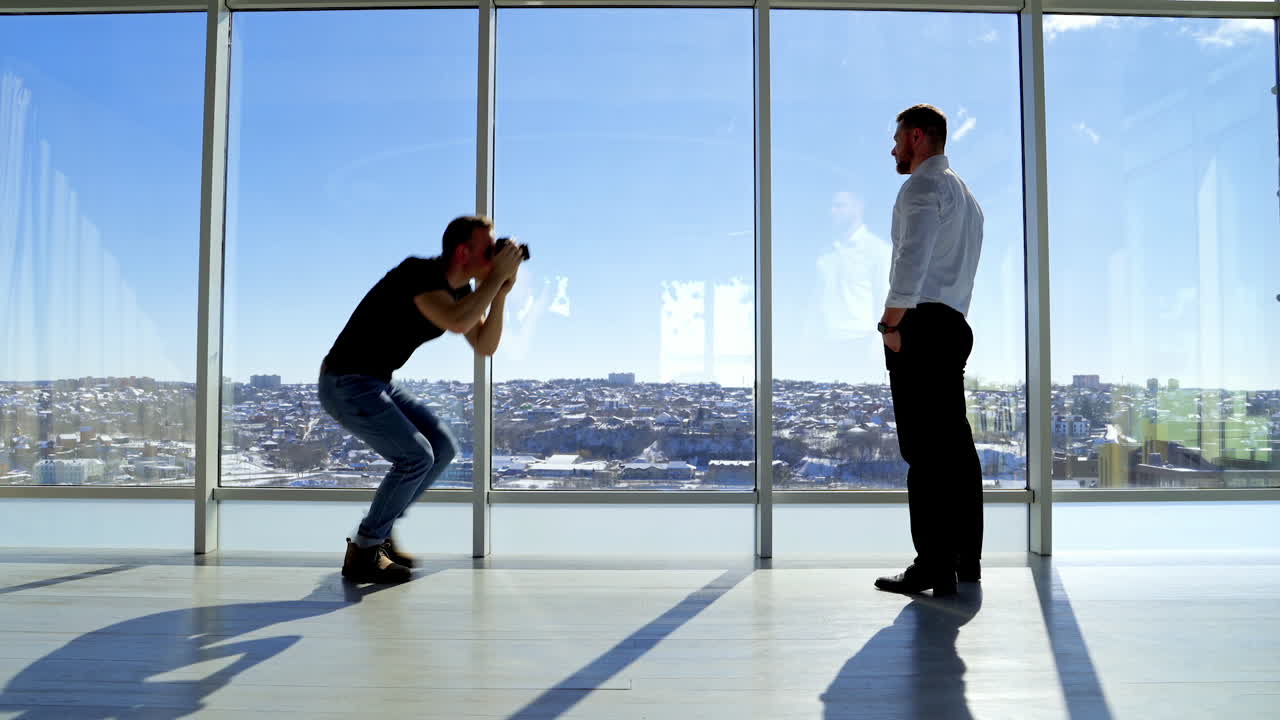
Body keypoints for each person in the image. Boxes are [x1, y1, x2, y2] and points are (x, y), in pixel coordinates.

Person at [318, 215, 523, 583]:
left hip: (375, 381)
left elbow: (485, 344)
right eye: (490, 249)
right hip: (344, 382)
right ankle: (364, 551)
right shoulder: (419, 274)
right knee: (415, 456)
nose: (496, 257)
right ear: (464, 251)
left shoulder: (462, 292)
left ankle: (379, 534)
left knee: (442, 446)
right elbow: (458, 322)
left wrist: (501, 294)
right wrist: (493, 281)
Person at [873, 104, 985, 597]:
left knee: (923, 452)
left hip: (921, 326)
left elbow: (910, 259)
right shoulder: (968, 197)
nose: (894, 149)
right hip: (955, 323)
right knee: (956, 450)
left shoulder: (921, 187)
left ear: (918, 137)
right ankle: (964, 561)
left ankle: (933, 565)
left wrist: (890, 324)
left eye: (898, 139)